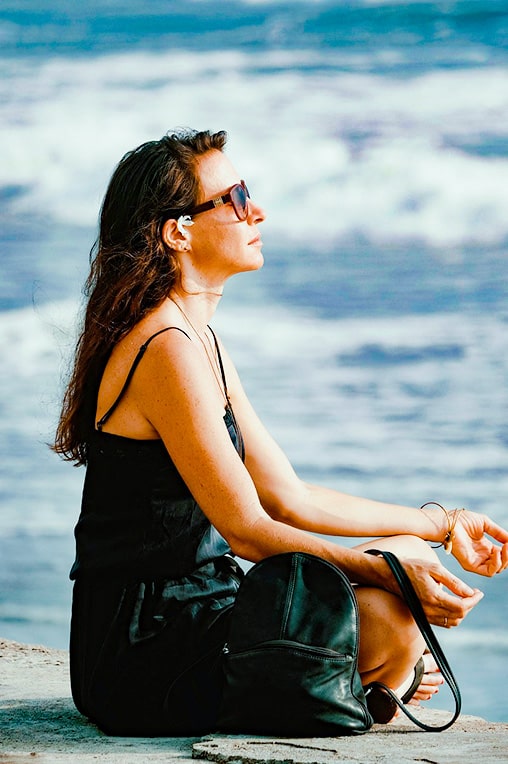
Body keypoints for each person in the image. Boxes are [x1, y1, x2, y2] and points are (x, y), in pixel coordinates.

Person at [53, 129, 508, 736]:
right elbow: (247, 531)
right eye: (236, 197)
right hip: (144, 648)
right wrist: (388, 577)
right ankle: (373, 682)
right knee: (392, 598)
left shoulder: (197, 338)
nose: (256, 209)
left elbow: (290, 497)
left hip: (201, 612)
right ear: (177, 231)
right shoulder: (165, 348)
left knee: (405, 559)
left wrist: (444, 526)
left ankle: (372, 681)